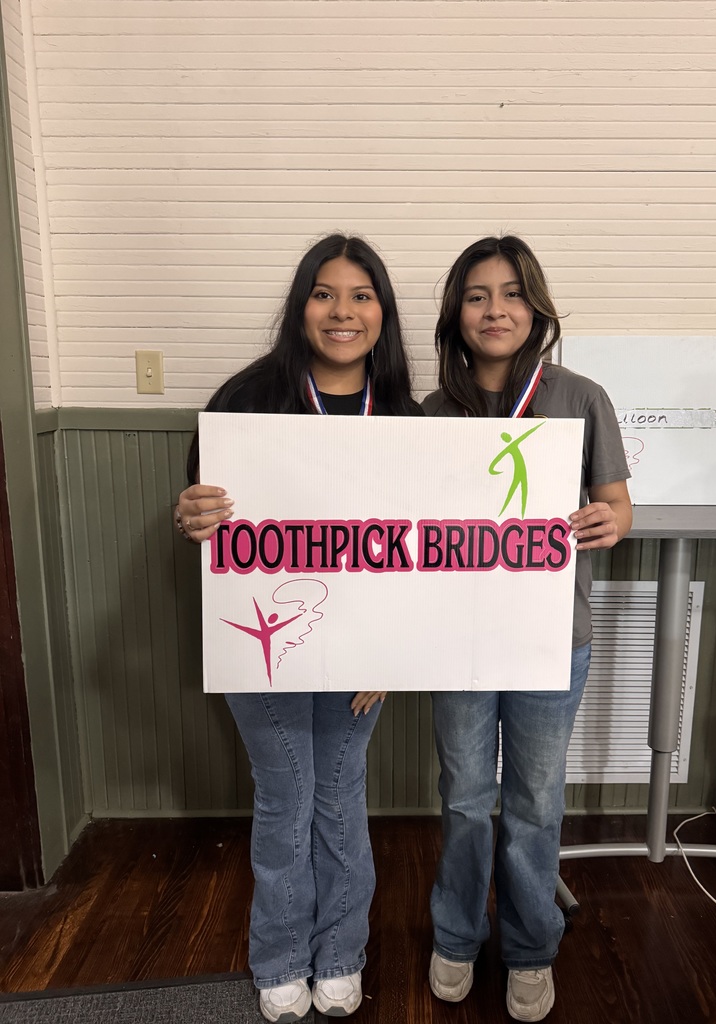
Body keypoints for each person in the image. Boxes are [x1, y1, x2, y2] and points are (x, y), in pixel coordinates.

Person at [176, 234, 422, 1022]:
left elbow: (423, 551)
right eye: (324, 293)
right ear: (301, 305)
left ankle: (340, 955)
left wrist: (389, 651)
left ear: (382, 312)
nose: (342, 311)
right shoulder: (247, 398)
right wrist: (192, 514)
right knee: (286, 796)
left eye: (361, 295)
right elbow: (205, 511)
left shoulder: (406, 417)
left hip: (362, 649)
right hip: (265, 639)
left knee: (340, 795)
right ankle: (280, 958)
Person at [422, 236, 632, 1022]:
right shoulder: (432, 412)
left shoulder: (581, 397)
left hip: (552, 635)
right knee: (465, 798)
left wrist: (609, 521)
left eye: (511, 294)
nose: (495, 310)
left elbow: (618, 504)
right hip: (460, 639)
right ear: (457, 312)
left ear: (535, 307)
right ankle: (456, 934)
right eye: (477, 296)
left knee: (536, 800)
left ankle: (531, 946)